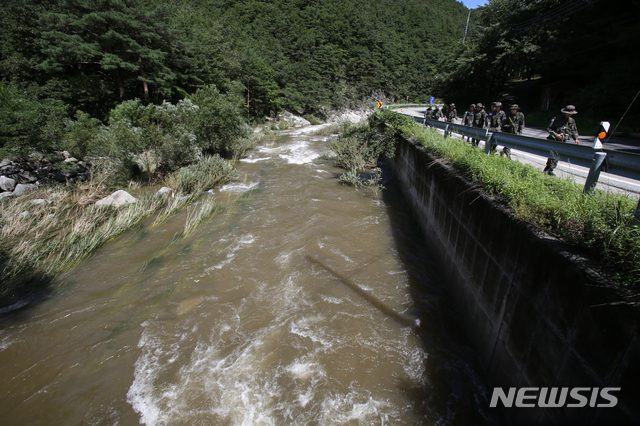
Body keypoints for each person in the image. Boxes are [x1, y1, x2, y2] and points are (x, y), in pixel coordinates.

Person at [544, 105, 580, 175]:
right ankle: (547, 169)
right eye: (568, 113)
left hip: (563, 141)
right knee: (552, 155)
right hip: (555, 140)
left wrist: (576, 138)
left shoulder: (571, 121)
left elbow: (573, 130)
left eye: (571, 113)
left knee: (558, 156)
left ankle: (551, 169)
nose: (569, 114)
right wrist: (556, 135)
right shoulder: (556, 119)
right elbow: (549, 129)